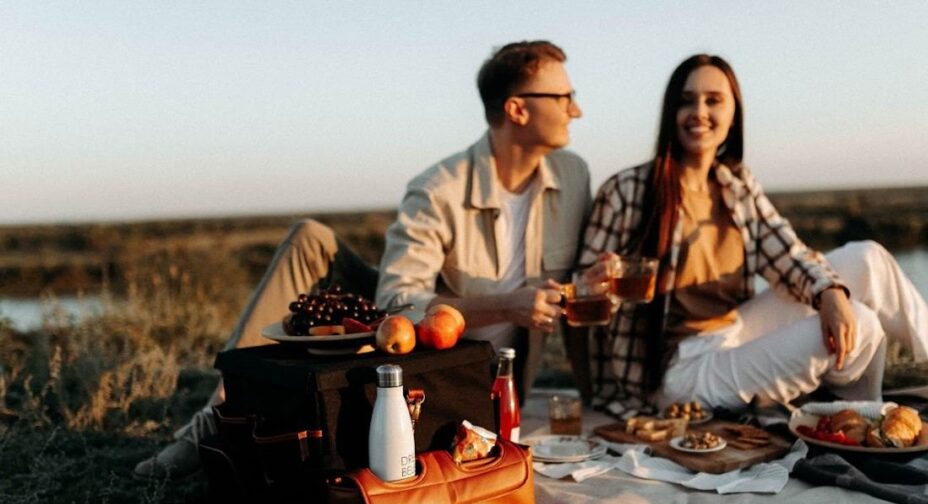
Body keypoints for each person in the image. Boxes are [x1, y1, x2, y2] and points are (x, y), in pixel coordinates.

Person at [135, 40, 590, 479]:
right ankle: (217, 417)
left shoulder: (574, 176)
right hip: (421, 353)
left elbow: (576, 286)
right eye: (565, 96)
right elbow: (398, 302)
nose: (576, 108)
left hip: (483, 373)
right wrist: (509, 304)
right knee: (310, 239)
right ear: (517, 109)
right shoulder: (439, 188)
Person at [573, 54, 928, 418]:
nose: (700, 113)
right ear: (671, 112)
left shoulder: (736, 183)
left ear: (732, 112)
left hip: (734, 331)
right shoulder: (629, 191)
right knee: (863, 323)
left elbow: (788, 254)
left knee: (866, 258)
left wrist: (829, 294)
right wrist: (596, 287)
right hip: (677, 369)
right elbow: (581, 296)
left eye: (714, 101)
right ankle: (852, 413)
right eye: (687, 101)